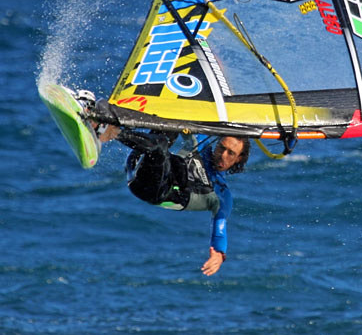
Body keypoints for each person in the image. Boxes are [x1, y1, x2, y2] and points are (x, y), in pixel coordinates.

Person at [94, 115, 249, 277]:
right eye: (221, 148)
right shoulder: (203, 144)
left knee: (161, 148)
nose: (223, 155)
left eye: (231, 153)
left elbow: (219, 230)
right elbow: (189, 120)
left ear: (239, 159)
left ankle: (110, 132)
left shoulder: (222, 195)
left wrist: (219, 254)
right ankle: (107, 118)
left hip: (154, 190)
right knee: (170, 125)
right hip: (137, 166)